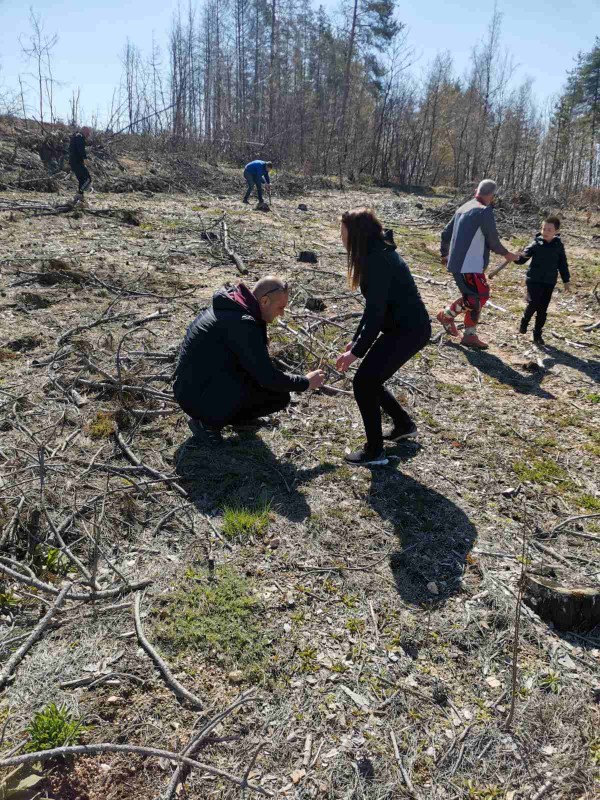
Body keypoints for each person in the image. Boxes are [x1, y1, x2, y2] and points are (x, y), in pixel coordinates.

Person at [174, 276, 325, 445]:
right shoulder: (242, 323)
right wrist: (305, 382)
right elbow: (267, 377)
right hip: (195, 395)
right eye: (280, 307)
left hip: (197, 385)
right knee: (275, 391)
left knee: (279, 397)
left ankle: (235, 418)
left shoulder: (238, 308)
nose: (281, 313)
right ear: (265, 301)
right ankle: (205, 422)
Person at [335, 208, 431, 467]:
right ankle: (403, 424)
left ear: (356, 234)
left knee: (364, 382)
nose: (340, 236)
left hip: (409, 330)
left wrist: (356, 353)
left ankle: (375, 451)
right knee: (370, 380)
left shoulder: (378, 260)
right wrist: (356, 341)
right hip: (402, 327)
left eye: (342, 231)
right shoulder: (375, 252)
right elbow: (373, 307)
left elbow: (376, 315)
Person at [436, 179, 519, 349]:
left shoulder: (463, 208)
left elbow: (445, 233)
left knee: (475, 297)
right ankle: (460, 327)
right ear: (492, 195)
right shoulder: (484, 211)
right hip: (469, 265)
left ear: (477, 190)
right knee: (479, 297)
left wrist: (445, 254)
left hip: (460, 264)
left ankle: (454, 321)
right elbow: (493, 241)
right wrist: (508, 254)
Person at [516, 216, 571, 346]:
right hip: (534, 280)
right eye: (543, 229)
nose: (545, 232)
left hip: (549, 281)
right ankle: (525, 321)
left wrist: (566, 280)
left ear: (556, 231)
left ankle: (537, 333)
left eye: (549, 230)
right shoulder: (536, 243)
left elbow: (563, 264)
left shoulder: (558, 246)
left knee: (542, 309)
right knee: (533, 303)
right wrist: (516, 257)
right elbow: (523, 258)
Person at [69, 126, 93, 204]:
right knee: (88, 179)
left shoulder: (75, 136)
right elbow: (80, 149)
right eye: (88, 132)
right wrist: (85, 159)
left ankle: (81, 197)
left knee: (81, 179)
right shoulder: (80, 137)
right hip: (77, 162)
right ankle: (79, 194)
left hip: (74, 162)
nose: (88, 134)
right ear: (84, 131)